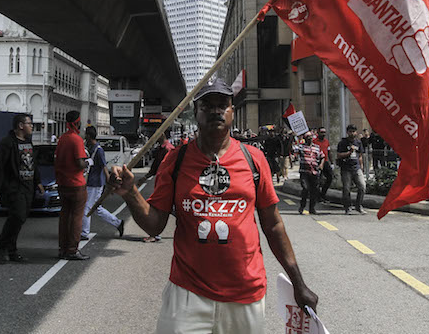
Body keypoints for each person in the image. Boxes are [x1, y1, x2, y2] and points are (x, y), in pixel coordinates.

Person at [109, 79, 318, 333]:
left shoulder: (254, 160)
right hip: (187, 295)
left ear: (232, 111)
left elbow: (273, 225)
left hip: (246, 295)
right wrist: (130, 193)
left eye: (223, 105)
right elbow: (155, 225)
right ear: (196, 112)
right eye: (207, 105)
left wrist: (299, 283)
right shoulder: (176, 161)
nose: (216, 111)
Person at [0, 114, 44, 263]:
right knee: (18, 216)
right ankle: (2, 243)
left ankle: (12, 250)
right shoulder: (7, 143)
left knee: (21, 219)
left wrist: (38, 181)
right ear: (20, 126)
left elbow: (33, 163)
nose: (32, 126)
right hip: (14, 187)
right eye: (29, 123)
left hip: (28, 186)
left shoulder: (28, 142)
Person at [54, 111, 90, 260]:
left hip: (62, 183)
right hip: (76, 184)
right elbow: (80, 162)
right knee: (76, 218)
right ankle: (72, 250)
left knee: (64, 216)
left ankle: (63, 248)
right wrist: (87, 162)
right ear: (76, 123)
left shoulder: (61, 139)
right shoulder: (77, 140)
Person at [82, 125, 124, 241]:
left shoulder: (98, 150)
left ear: (89, 136)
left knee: (87, 208)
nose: (85, 137)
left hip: (95, 183)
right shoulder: (91, 148)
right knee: (96, 208)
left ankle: (84, 233)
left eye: (86, 135)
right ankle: (118, 223)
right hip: (91, 182)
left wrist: (109, 184)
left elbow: (104, 167)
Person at [139, 130, 175, 242]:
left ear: (162, 135)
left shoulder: (168, 149)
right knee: (169, 208)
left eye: (156, 135)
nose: (154, 138)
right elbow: (155, 166)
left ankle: (154, 234)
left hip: (166, 184)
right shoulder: (162, 148)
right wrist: (145, 177)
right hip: (161, 182)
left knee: (156, 207)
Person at [336, 125, 367, 215]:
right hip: (346, 168)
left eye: (354, 131)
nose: (352, 133)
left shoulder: (358, 142)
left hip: (356, 168)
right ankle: (347, 207)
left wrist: (361, 166)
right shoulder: (343, 143)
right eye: (350, 131)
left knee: (362, 186)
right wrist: (349, 152)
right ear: (347, 132)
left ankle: (358, 205)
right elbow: (339, 155)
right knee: (346, 189)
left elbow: (360, 155)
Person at [297, 131, 323, 214]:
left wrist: (321, 165)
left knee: (314, 191)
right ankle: (302, 206)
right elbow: (293, 151)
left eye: (311, 137)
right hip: (304, 172)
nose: (310, 138)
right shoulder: (301, 147)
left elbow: (322, 156)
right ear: (304, 139)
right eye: (307, 137)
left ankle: (312, 208)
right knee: (305, 188)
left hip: (314, 172)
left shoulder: (317, 147)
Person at [314, 127, 333, 201]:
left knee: (330, 177)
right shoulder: (314, 141)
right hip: (317, 162)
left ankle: (323, 193)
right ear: (318, 133)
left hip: (325, 161)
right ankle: (318, 196)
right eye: (322, 132)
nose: (323, 134)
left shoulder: (326, 141)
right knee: (318, 180)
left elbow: (329, 152)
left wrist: (331, 163)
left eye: (324, 132)